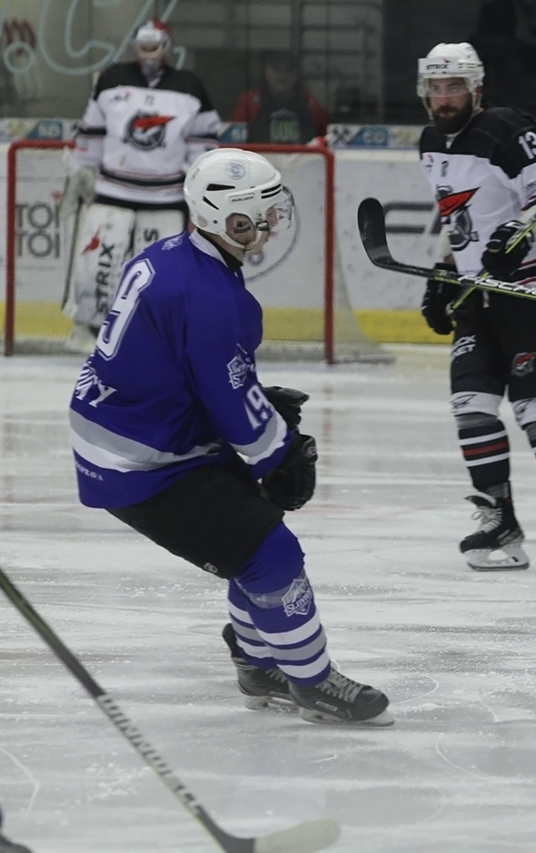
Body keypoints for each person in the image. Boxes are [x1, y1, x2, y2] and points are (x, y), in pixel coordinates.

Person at [67, 148, 392, 727]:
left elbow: (191, 369)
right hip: (141, 460)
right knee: (272, 553)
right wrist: (279, 453)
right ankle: (312, 682)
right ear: (228, 217)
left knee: (254, 532)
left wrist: (255, 410)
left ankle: (258, 664)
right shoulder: (213, 298)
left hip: (133, 430)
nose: (271, 220)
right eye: (260, 211)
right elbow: (229, 397)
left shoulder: (170, 255)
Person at [416, 41, 536, 574]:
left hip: (535, 291)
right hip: (476, 294)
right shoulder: (431, 142)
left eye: (454, 87)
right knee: (471, 406)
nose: (444, 97)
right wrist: (443, 271)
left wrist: (521, 235)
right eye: (436, 88)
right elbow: (457, 219)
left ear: (476, 88)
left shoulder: (506, 129)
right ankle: (499, 519)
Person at [58, 19, 221, 354]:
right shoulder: (111, 79)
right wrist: (83, 170)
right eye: (143, 45)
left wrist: (198, 181)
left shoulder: (189, 86)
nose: (148, 52)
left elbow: (204, 142)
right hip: (112, 191)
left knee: (162, 271)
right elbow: (92, 132)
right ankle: (91, 328)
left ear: (167, 47)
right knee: (98, 263)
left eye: (154, 45)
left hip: (166, 196)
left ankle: (158, 333)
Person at [231, 50, 330, 145]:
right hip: (259, 156)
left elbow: (326, 139)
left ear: (296, 74)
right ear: (266, 71)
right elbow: (234, 137)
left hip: (303, 157)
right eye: (277, 69)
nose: (282, 76)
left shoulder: (311, 104)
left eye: (288, 70)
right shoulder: (250, 102)